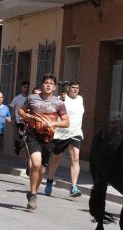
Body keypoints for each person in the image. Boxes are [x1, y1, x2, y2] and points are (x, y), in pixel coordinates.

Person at [18, 74, 69, 210]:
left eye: (51, 84)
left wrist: (54, 123)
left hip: (48, 138)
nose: (48, 85)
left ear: (54, 87)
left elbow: (66, 122)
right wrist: (26, 116)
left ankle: (32, 191)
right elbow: (21, 111)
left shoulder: (59, 103)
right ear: (42, 85)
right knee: (35, 163)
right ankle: (33, 194)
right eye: (46, 83)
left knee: (41, 169)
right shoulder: (32, 98)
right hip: (33, 135)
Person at [45, 81, 84, 197]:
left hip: (75, 133)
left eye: (77, 88)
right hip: (61, 133)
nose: (75, 90)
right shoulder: (61, 98)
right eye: (73, 88)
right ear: (68, 89)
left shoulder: (80, 99)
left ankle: (74, 187)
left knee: (75, 158)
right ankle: (50, 180)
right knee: (56, 157)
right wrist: (62, 100)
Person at [10, 81, 29, 155]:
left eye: (27, 87)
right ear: (21, 88)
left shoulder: (30, 98)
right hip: (19, 121)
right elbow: (11, 107)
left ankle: (18, 144)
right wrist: (13, 118)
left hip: (28, 121)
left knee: (26, 137)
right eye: (25, 87)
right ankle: (19, 145)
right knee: (23, 137)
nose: (26, 89)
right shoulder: (17, 98)